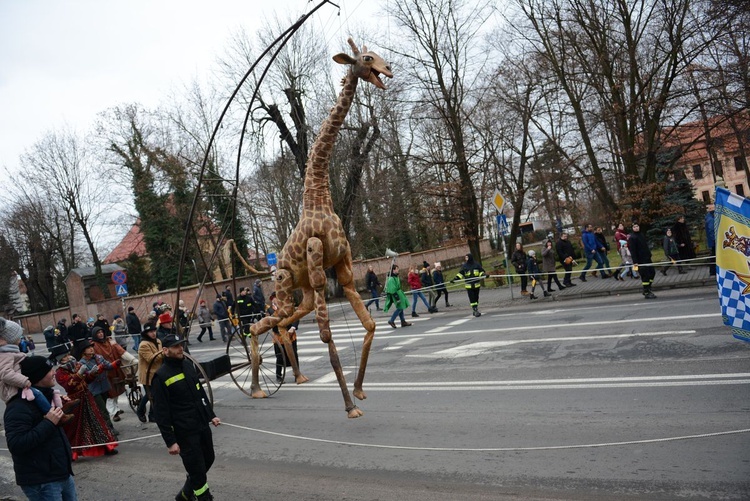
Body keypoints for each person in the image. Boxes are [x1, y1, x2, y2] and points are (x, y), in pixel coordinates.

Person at [151, 333, 221, 501]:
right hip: (184, 431)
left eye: (181, 345)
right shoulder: (161, 377)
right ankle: (204, 497)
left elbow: (200, 392)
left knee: (208, 459)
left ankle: (184, 495)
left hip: (201, 424)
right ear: (166, 350)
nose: (180, 348)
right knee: (197, 469)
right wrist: (170, 441)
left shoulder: (188, 365)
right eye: (176, 346)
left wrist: (211, 415)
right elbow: (161, 413)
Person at [4, 355, 78, 501]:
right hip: (42, 481)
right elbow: (16, 444)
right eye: (49, 370)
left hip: (61, 473)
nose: (54, 373)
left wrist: (62, 412)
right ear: (37, 376)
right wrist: (49, 423)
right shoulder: (18, 406)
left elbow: (55, 435)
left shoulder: (49, 399)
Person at [0, 319, 67, 424]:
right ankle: (54, 414)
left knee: (48, 392)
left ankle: (61, 409)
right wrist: (24, 380)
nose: (21, 338)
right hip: (13, 388)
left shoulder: (10, 351)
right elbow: (5, 373)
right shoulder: (5, 354)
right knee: (38, 394)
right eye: (18, 336)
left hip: (18, 385)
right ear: (11, 338)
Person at [55, 353, 118, 459]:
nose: (69, 357)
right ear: (60, 359)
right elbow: (69, 386)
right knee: (76, 427)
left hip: (87, 397)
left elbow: (87, 380)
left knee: (97, 422)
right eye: (65, 356)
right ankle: (72, 453)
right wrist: (79, 374)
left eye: (68, 354)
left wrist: (92, 373)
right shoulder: (59, 372)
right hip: (75, 400)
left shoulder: (77, 364)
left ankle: (107, 447)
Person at [74, 338, 118, 434]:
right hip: (94, 390)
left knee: (102, 407)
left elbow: (108, 366)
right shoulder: (81, 363)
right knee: (103, 410)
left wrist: (114, 364)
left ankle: (101, 426)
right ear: (83, 352)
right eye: (88, 348)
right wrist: (95, 371)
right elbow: (87, 375)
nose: (91, 349)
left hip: (104, 387)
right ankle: (109, 428)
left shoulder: (99, 357)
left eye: (91, 347)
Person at [90, 326, 127, 423]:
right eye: (98, 333)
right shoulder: (94, 346)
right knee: (110, 393)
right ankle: (113, 413)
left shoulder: (108, 341)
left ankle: (116, 408)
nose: (101, 334)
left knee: (116, 390)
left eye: (102, 332)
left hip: (115, 368)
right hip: (105, 372)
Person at [136, 323, 162, 423]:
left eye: (154, 331)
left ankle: (152, 415)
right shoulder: (143, 345)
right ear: (146, 333)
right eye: (150, 332)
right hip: (147, 374)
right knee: (150, 395)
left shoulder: (158, 341)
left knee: (154, 395)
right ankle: (140, 410)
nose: (153, 333)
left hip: (157, 372)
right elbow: (151, 359)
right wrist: (164, 353)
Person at [628, 222, 657, 299]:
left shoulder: (641, 235)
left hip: (647, 258)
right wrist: (635, 262)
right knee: (645, 276)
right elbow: (632, 251)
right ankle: (646, 291)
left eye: (637, 226)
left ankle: (648, 287)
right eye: (634, 227)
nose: (636, 228)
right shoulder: (632, 238)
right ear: (632, 228)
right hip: (640, 260)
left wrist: (649, 254)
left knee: (652, 273)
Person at [383, 265, 412, 329]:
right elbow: (392, 289)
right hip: (396, 294)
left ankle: (403, 321)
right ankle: (391, 320)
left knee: (401, 307)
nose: (398, 270)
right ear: (393, 270)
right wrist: (397, 297)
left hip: (399, 293)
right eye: (397, 269)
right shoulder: (391, 279)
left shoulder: (395, 277)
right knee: (400, 308)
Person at [705, 204, 716, 277]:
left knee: (713, 255)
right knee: (714, 255)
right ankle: (712, 271)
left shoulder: (709, 217)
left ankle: (713, 271)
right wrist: (715, 240)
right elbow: (711, 230)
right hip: (714, 241)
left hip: (712, 241)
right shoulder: (711, 218)